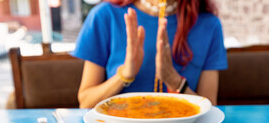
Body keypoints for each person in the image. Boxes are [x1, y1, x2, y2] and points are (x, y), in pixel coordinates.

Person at [71, 0, 227, 108]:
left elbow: (210, 108)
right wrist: (125, 74)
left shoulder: (209, 25)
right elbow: (86, 102)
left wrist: (174, 81)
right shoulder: (104, 15)